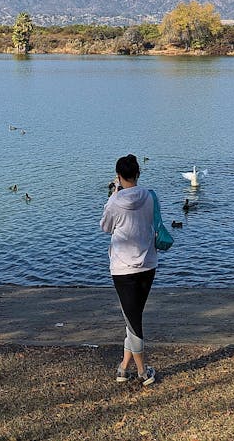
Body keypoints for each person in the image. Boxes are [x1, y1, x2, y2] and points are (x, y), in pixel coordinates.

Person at [100, 153, 158, 386]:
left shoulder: (115, 201)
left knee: (133, 320)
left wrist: (115, 193)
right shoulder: (150, 196)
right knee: (133, 317)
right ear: (138, 174)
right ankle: (124, 368)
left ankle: (143, 372)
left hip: (123, 269)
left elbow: (105, 227)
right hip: (148, 264)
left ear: (118, 176)